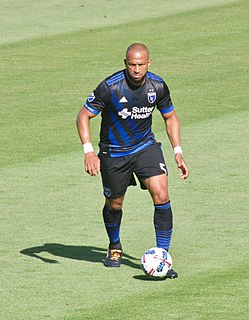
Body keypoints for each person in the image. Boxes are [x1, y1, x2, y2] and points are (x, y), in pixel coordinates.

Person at [76, 43, 189, 279]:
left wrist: (177, 150)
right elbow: (84, 116)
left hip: (145, 147)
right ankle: (115, 245)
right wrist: (88, 152)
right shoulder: (110, 87)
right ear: (125, 63)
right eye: (132, 64)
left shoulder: (157, 85)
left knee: (161, 194)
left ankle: (162, 257)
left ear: (149, 63)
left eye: (141, 64)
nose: (136, 69)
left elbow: (170, 117)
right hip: (114, 153)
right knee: (114, 204)